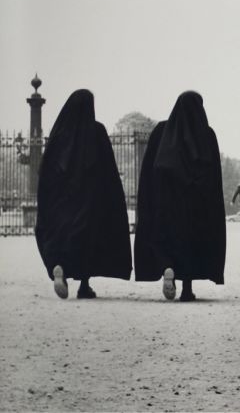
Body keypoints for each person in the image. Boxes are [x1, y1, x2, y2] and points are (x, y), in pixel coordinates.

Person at [35, 89, 132, 299]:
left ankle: (59, 266)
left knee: (62, 236)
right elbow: (108, 171)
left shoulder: (60, 133)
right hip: (88, 200)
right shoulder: (96, 131)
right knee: (87, 241)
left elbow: (46, 169)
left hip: (61, 200)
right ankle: (84, 285)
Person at [134, 91, 226, 301]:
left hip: (166, 201)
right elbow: (213, 177)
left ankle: (168, 268)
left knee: (167, 239)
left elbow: (149, 169)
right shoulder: (206, 134)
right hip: (196, 203)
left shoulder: (161, 131)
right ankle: (187, 288)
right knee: (191, 242)